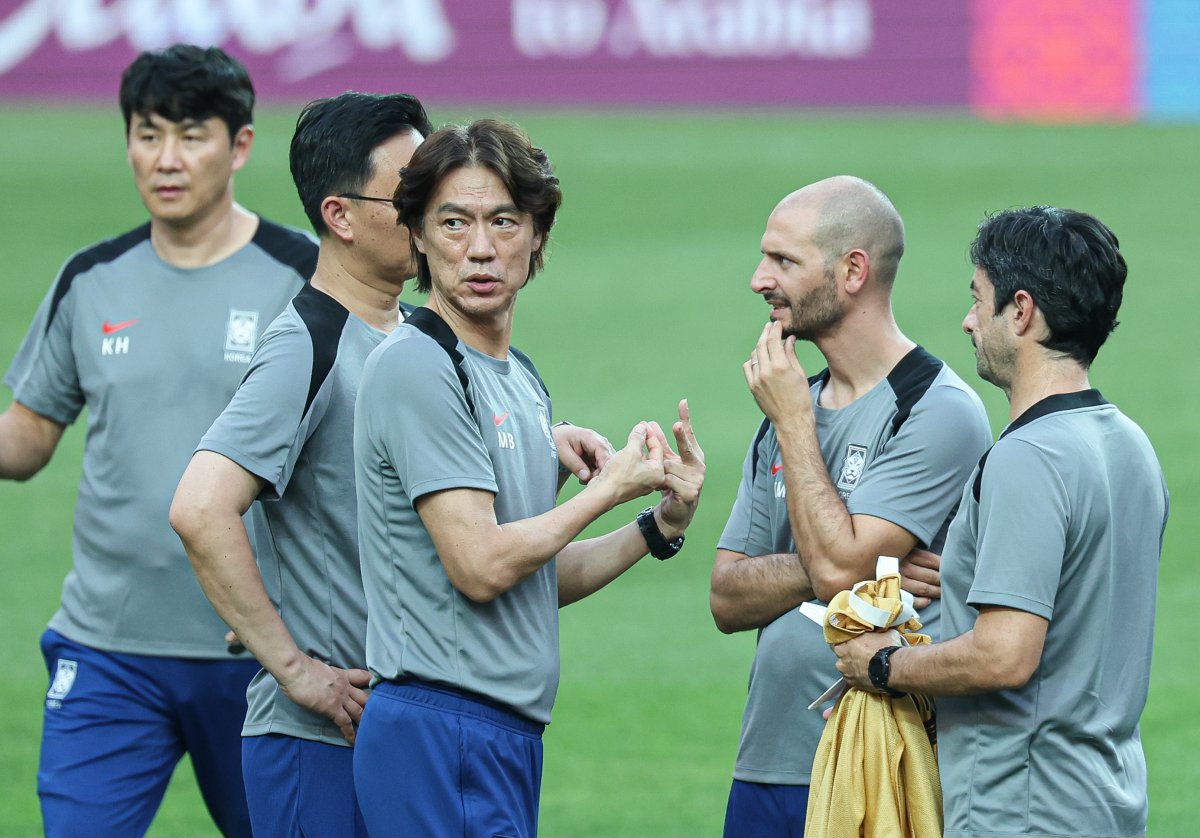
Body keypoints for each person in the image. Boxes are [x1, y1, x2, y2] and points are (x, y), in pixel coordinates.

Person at [170, 93, 618, 837]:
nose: (432, 205)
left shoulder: (422, 339)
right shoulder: (306, 345)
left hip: (407, 725)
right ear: (342, 216)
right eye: (410, 191)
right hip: (321, 736)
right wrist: (293, 666)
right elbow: (199, 507)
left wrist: (542, 442)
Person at [351, 118, 706, 836]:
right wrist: (607, 491)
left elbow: (530, 582)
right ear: (417, 234)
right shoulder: (419, 365)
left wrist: (657, 525)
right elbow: (481, 566)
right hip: (440, 729)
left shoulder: (519, 379)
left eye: (503, 221)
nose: (480, 248)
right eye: (454, 222)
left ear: (537, 234)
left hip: (496, 736)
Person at [0, 45, 316, 836]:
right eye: (147, 134)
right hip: (107, 650)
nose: (165, 159)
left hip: (263, 656)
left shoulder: (307, 279)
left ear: (239, 145)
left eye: (190, 134)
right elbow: (26, 441)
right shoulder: (91, 279)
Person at [834, 206, 1168, 838]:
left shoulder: (1028, 457)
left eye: (977, 300)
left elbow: (1005, 656)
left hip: (1023, 806)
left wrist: (881, 663)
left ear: (1021, 311)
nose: (967, 321)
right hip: (1108, 800)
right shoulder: (1131, 446)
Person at [709, 175, 992, 837]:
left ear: (853, 270)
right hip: (765, 764)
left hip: (874, 769)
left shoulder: (935, 410)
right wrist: (853, 566)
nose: (758, 279)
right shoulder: (788, 403)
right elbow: (726, 596)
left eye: (783, 261)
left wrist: (796, 428)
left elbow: (841, 574)